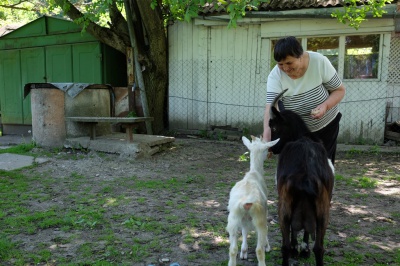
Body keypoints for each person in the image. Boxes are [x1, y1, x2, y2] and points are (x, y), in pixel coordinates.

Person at [263, 36, 346, 165]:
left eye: (289, 63)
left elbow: (339, 90)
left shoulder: (319, 62)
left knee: (324, 166)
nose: (285, 69)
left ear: (300, 56)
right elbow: (271, 107)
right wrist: (267, 137)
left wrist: (325, 106)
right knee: (298, 166)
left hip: (327, 126)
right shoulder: (275, 76)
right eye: (280, 64)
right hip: (297, 131)